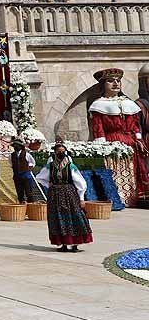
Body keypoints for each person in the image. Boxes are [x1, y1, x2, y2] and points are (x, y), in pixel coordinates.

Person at [90, 67, 148, 195]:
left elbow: (136, 126)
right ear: (103, 84)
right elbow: (98, 129)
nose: (116, 83)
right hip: (113, 143)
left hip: (131, 143)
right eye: (111, 81)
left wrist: (139, 139)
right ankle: (119, 198)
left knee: (135, 171)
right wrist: (102, 148)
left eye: (118, 81)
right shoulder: (98, 105)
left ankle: (134, 197)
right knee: (116, 171)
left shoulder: (129, 103)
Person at [35, 142, 93, 253]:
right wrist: (50, 184)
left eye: (63, 151)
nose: (61, 153)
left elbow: (80, 182)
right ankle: (63, 245)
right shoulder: (51, 166)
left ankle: (75, 244)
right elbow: (40, 177)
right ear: (55, 153)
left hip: (69, 194)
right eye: (59, 151)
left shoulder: (70, 166)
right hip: (55, 196)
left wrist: (81, 198)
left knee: (74, 216)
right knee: (58, 218)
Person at [9, 139, 38, 204]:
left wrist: (27, 169)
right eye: (14, 146)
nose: (15, 147)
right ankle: (22, 207)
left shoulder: (26, 154)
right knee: (20, 193)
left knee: (29, 193)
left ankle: (31, 206)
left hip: (26, 176)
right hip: (17, 176)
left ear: (20, 146)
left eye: (17, 146)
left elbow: (32, 163)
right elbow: (11, 164)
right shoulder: (11, 155)